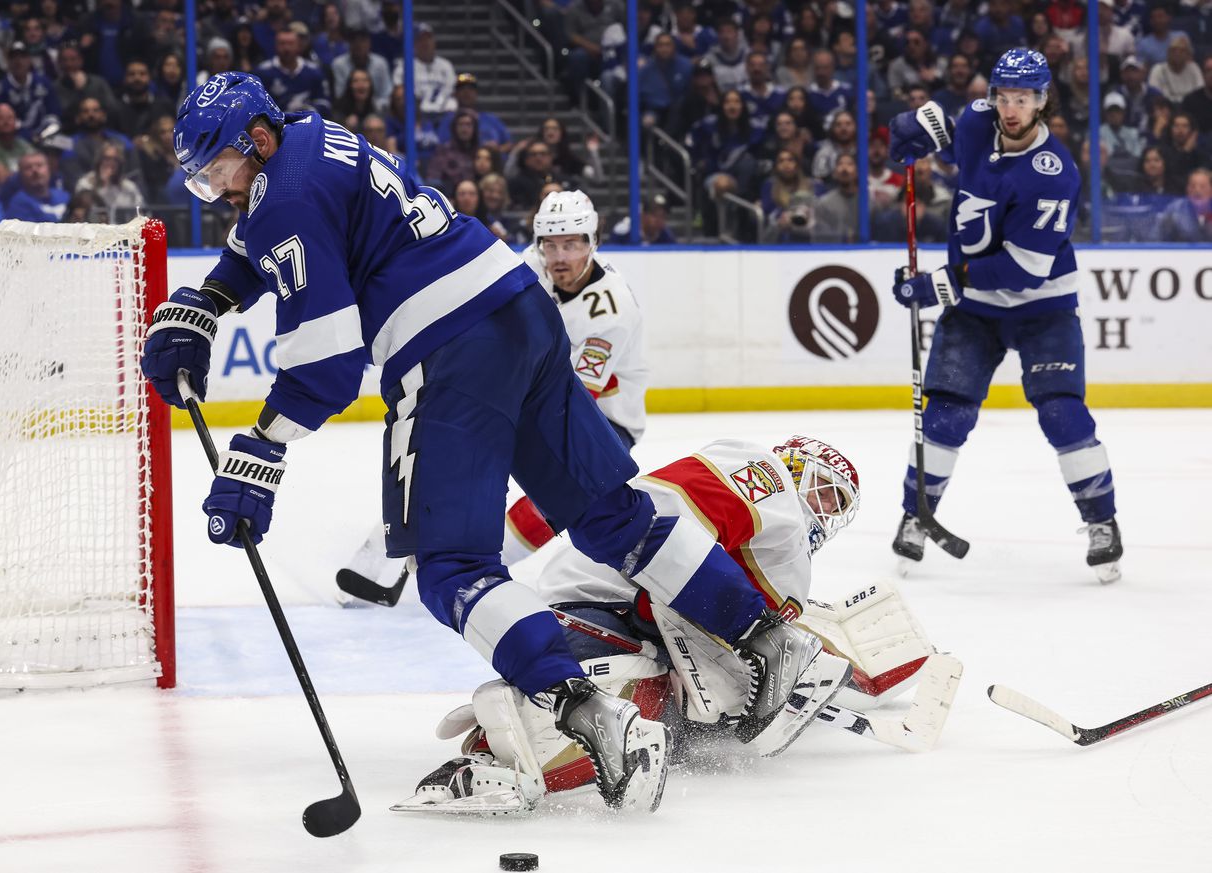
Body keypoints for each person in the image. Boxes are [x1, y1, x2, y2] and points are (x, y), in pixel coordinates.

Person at [144, 73, 816, 813]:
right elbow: (268, 239)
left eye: (219, 172)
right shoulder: (311, 136)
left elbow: (326, 364)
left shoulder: (281, 196)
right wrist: (210, 298)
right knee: (611, 515)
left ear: (257, 142)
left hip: (448, 350)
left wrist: (259, 452)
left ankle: (598, 719)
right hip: (515, 304)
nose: (221, 190)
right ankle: (767, 637)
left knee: (451, 568)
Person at [394, 435, 871, 814]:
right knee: (586, 706)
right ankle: (504, 754)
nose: (824, 508)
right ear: (792, 466)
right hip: (599, 603)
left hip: (626, 623)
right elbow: (680, 514)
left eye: (836, 504)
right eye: (822, 488)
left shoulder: (785, 558)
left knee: (644, 715)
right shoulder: (766, 478)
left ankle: (515, 745)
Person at [886, 48, 1122, 583]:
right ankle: (915, 516)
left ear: (1043, 101)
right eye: (1003, 96)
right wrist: (918, 128)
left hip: (1044, 310)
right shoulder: (979, 121)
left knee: (1064, 415)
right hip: (975, 310)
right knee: (946, 413)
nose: (1010, 108)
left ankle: (1103, 521)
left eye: (1023, 98)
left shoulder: (1053, 173)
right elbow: (950, 135)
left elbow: (1026, 269)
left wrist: (936, 284)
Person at [339, 189, 648, 592]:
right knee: (438, 454)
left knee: (543, 509)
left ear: (593, 242)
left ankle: (473, 569)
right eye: (550, 245)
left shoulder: (611, 312)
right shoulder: (527, 265)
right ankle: (389, 554)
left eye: (572, 244)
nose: (559, 258)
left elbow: (573, 401)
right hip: (529, 393)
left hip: (600, 421)